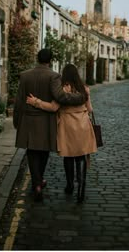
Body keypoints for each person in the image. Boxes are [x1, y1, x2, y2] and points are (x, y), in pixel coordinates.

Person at [13, 49, 86, 202]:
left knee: (32, 152)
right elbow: (60, 97)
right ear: (50, 60)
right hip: (46, 120)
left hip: (28, 120)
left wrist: (16, 120)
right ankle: (39, 182)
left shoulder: (25, 75)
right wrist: (81, 97)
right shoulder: (53, 76)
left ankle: (37, 183)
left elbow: (19, 100)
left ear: (37, 58)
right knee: (43, 151)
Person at [26, 63, 97, 203]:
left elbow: (53, 107)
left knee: (69, 156)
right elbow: (90, 109)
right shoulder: (85, 89)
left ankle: (70, 185)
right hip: (83, 125)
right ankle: (81, 187)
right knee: (81, 156)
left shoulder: (63, 89)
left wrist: (35, 102)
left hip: (68, 125)